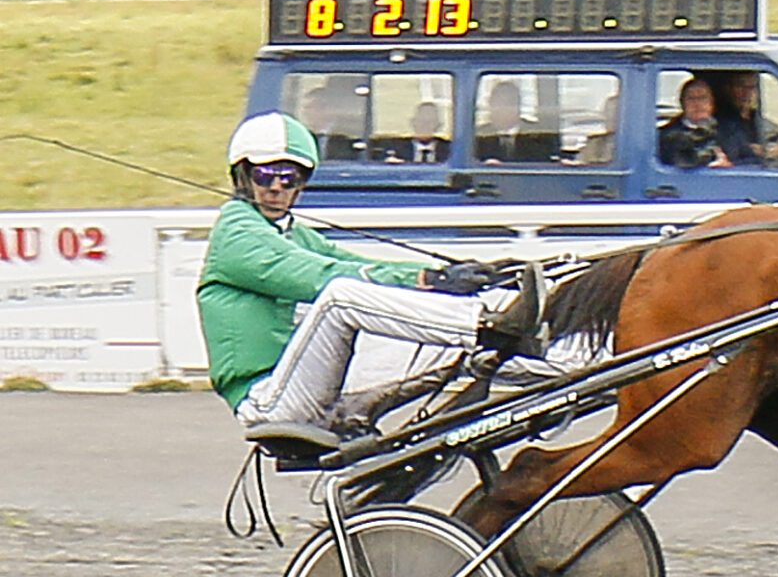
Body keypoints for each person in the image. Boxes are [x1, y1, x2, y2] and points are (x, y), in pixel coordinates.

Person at [197, 112, 543, 440]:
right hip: (269, 401)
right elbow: (324, 276)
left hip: (308, 380)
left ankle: (554, 363)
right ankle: (487, 325)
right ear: (242, 176)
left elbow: (364, 265)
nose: (276, 187)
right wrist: (430, 280)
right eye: (264, 175)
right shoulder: (237, 232)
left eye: (289, 178)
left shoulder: (293, 233)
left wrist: (452, 276)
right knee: (340, 296)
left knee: (441, 344)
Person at [474, 81, 560, 164]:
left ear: (518, 106)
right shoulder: (478, 137)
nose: (501, 110)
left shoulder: (540, 136)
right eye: (497, 104)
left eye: (507, 104)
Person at [711, 71, 778, 166]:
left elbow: (777, 138)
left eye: (752, 87)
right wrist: (756, 151)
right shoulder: (719, 124)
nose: (747, 93)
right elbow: (732, 154)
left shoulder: (760, 121)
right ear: (728, 89)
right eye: (741, 86)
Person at [657, 77, 731, 168]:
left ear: (712, 102)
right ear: (682, 103)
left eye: (703, 98)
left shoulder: (731, 131)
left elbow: (748, 161)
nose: (697, 103)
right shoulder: (665, 136)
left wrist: (729, 167)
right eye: (691, 98)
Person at [376, 101, 451, 164]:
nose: (425, 125)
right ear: (413, 123)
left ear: (438, 125)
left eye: (430, 121)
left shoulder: (450, 150)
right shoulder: (396, 149)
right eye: (421, 121)